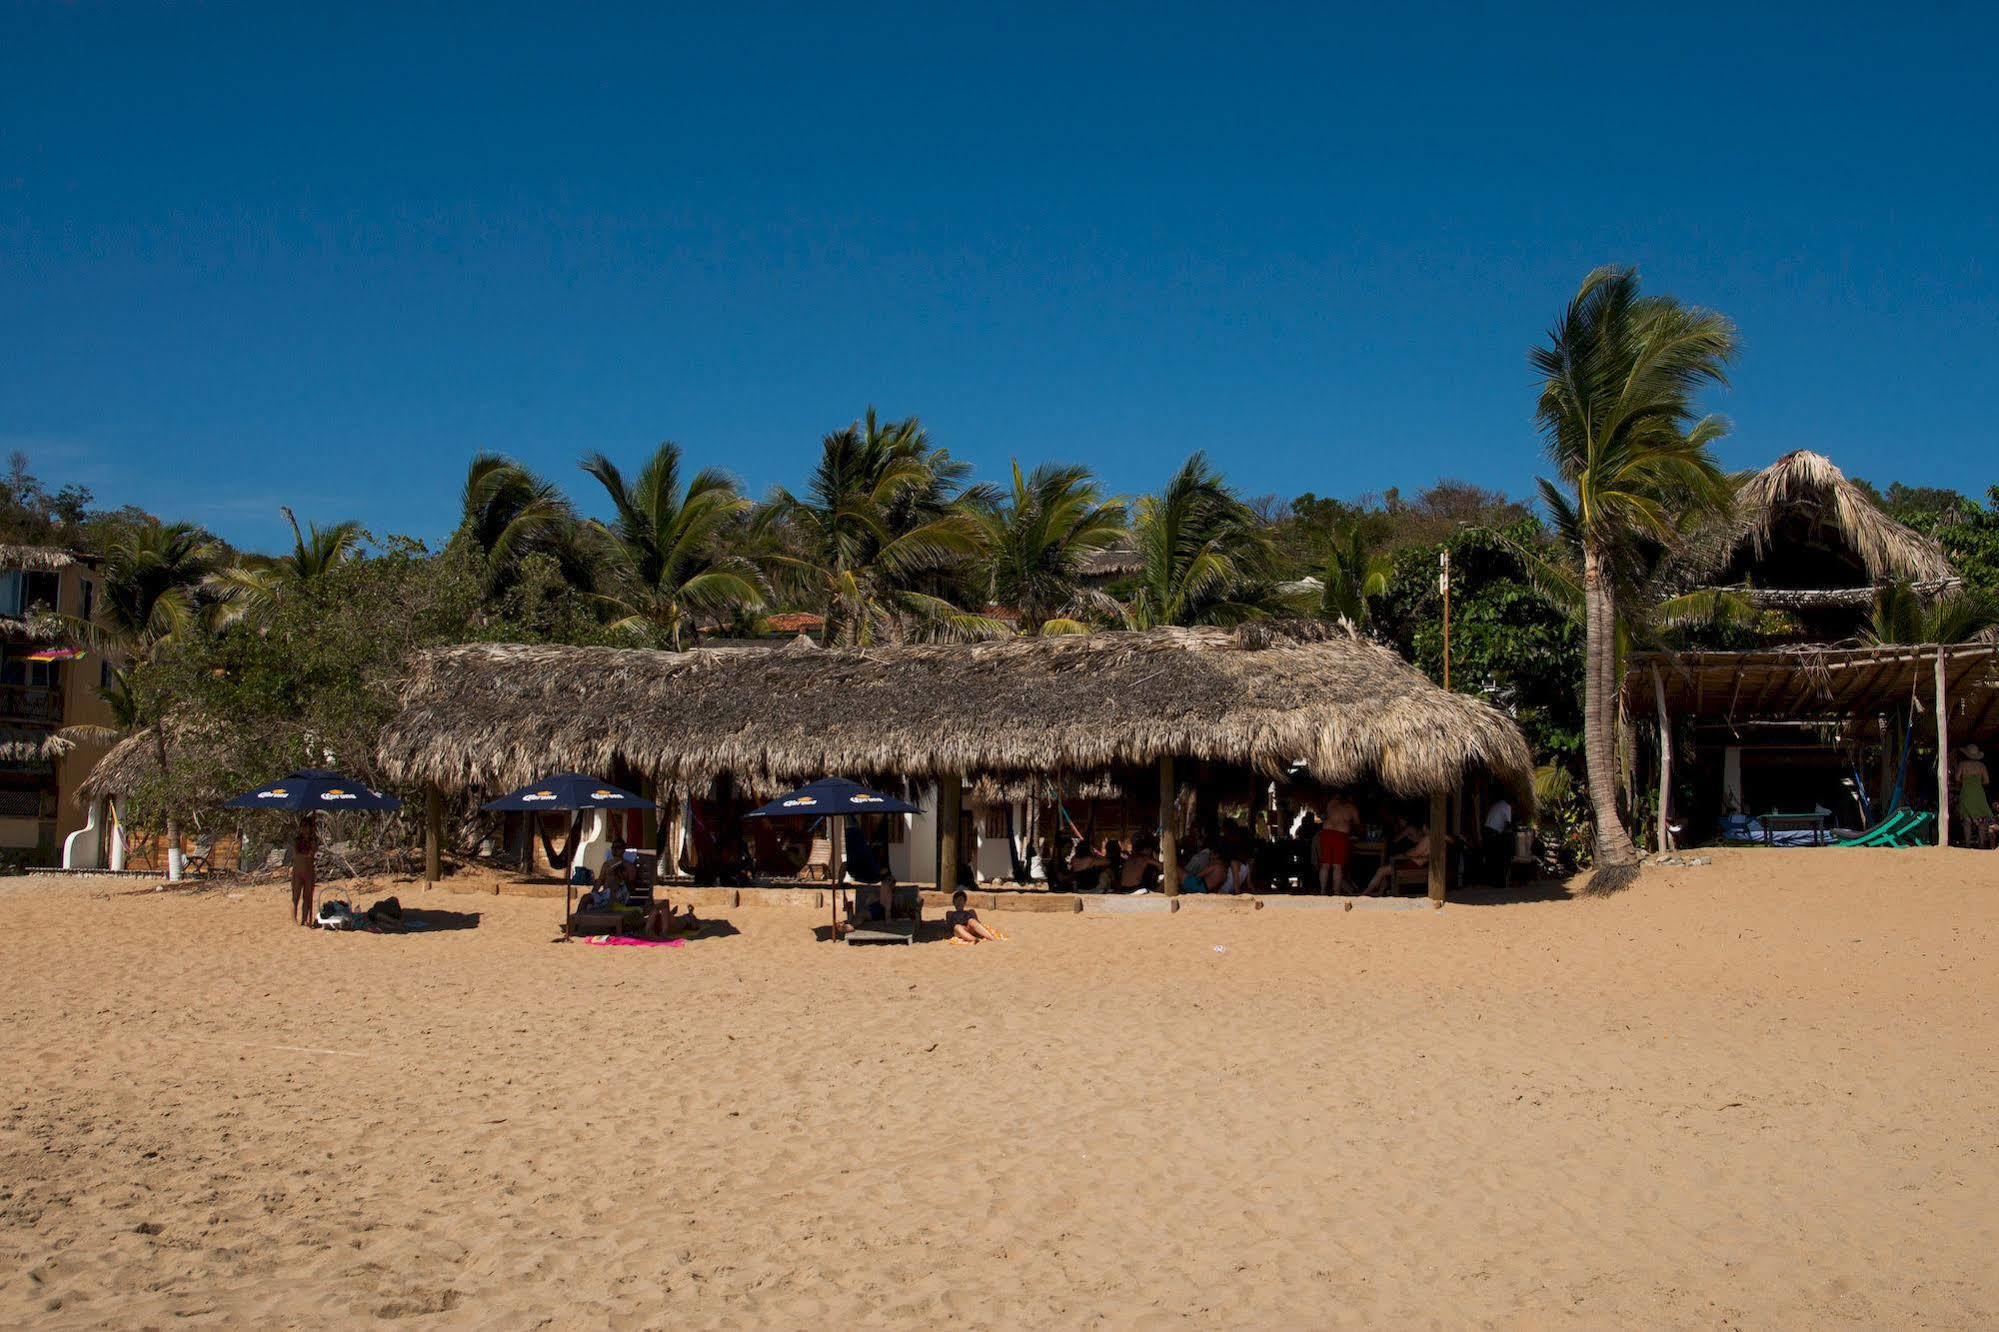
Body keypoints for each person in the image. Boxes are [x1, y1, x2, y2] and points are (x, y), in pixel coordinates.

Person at [1364, 816, 1429, 896]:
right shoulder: (1431, 837)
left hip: (1414, 864)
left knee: (1381, 870)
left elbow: (1416, 852)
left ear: (1425, 827)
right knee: (1386, 867)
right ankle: (1380, 892)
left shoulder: (1427, 838)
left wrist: (1403, 854)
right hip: (1413, 862)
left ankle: (1365, 893)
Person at [1319, 792, 1360, 893]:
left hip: (1326, 832)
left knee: (1325, 865)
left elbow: (1327, 815)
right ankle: (1336, 892)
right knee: (1337, 866)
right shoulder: (1352, 808)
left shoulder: (1331, 803)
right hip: (1340, 835)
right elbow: (1357, 824)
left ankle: (1322, 891)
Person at [1955, 745, 1992, 847]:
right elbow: (1986, 781)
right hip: (1979, 795)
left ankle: (1967, 844)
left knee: (1967, 821)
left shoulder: (1962, 764)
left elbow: (1957, 778)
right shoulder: (1982, 766)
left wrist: (1965, 782)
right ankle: (1981, 845)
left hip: (1966, 794)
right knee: (1981, 821)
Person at [291, 812, 318, 927]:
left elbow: (313, 853)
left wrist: (312, 846)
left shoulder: (313, 840)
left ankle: (305, 919)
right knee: (296, 896)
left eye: (306, 827)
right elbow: (296, 854)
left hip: (309, 871)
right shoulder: (298, 840)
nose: (304, 829)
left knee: (307, 896)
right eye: (303, 827)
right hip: (298, 871)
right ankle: (294, 918)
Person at [1482, 795, 1516, 887]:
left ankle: (1491, 881)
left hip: (1486, 831)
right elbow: (1508, 825)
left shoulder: (1498, 804)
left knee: (1491, 857)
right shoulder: (1508, 807)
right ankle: (1500, 881)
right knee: (1500, 856)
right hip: (1493, 832)